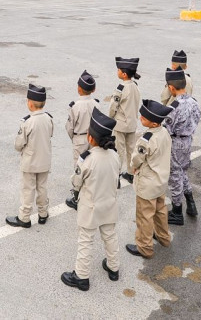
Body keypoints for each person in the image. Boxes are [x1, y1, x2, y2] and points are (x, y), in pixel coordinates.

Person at [60, 109, 121, 292]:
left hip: (91, 206)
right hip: (109, 203)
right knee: (110, 235)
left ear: (91, 138)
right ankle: (113, 268)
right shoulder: (115, 155)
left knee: (86, 240)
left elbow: (76, 182)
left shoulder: (87, 159)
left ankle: (82, 277)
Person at [125, 99, 173, 258]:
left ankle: (144, 247)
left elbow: (137, 159)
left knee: (144, 217)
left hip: (147, 184)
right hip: (161, 181)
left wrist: (133, 165)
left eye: (144, 118)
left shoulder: (146, 140)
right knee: (160, 211)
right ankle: (164, 237)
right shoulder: (164, 132)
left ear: (153, 124)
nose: (140, 119)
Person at [6, 84, 54, 228]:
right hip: (44, 161)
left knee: (28, 189)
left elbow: (19, 144)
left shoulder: (27, 122)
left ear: (30, 104)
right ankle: (43, 214)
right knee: (42, 187)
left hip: (30, 163)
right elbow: (50, 134)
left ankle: (24, 217)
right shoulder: (49, 119)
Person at [164, 67, 201, 224]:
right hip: (188, 141)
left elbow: (166, 128)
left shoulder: (175, 107)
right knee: (183, 171)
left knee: (174, 176)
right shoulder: (194, 102)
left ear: (171, 87)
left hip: (176, 143)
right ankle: (191, 204)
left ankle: (177, 211)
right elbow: (197, 118)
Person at [65, 71, 100, 209]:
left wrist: (74, 138)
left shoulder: (75, 106)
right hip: (93, 138)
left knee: (79, 167)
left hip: (79, 138)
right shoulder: (96, 104)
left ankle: (77, 196)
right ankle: (91, 192)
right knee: (92, 165)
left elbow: (69, 127)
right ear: (93, 90)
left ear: (79, 88)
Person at [108, 57, 141, 183]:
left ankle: (115, 178)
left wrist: (110, 118)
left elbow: (113, 107)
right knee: (131, 149)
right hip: (132, 123)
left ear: (124, 74)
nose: (117, 72)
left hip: (120, 125)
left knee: (118, 151)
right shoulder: (135, 86)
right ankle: (131, 173)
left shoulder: (120, 88)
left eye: (118, 70)